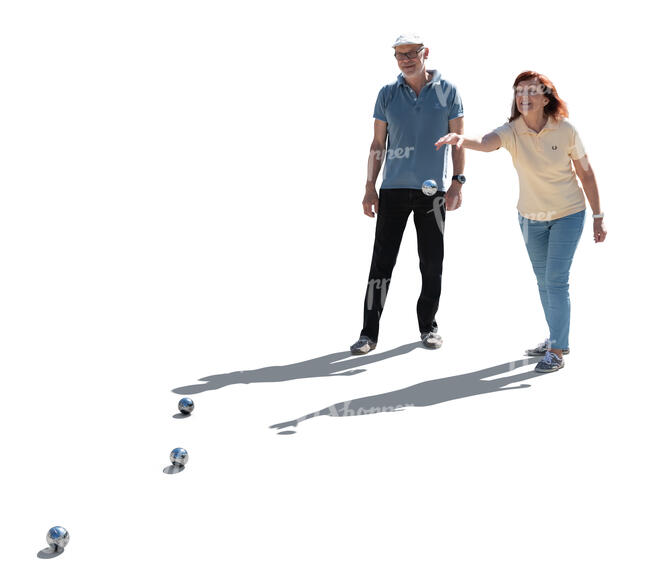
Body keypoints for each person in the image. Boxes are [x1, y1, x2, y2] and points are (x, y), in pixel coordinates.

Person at [435, 71, 607, 373]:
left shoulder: (565, 130)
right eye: (519, 92)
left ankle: (556, 350)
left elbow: (587, 173)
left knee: (556, 280)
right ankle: (557, 336)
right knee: (544, 282)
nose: (524, 98)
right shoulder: (512, 130)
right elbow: (487, 142)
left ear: (545, 97)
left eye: (531, 92)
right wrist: (462, 139)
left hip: (568, 214)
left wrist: (598, 216)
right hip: (530, 218)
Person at [349, 34, 465, 355]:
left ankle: (428, 327)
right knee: (381, 265)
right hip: (392, 190)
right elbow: (377, 144)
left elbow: (458, 139)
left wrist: (457, 182)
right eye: (399, 55)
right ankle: (368, 334)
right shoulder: (387, 94)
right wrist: (369, 186)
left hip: (433, 193)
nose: (405, 60)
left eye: (411, 53)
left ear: (425, 53)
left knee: (431, 263)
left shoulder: (447, 92)